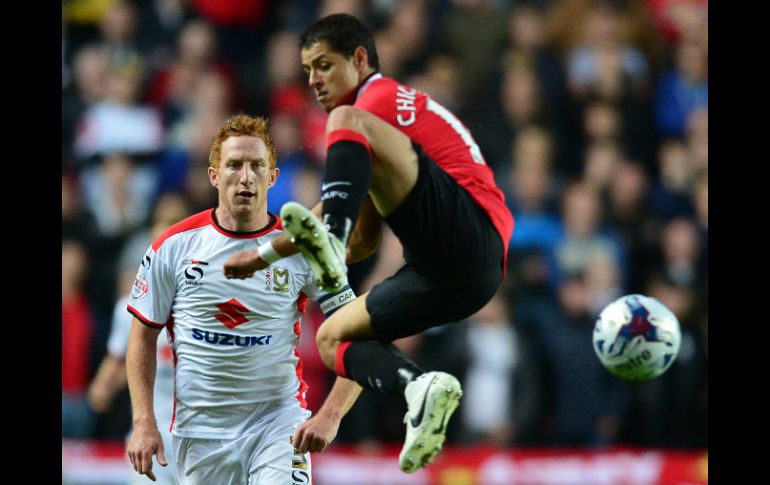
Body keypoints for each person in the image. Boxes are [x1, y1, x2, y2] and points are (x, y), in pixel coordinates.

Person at [224, 14, 514, 473]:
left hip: (473, 230)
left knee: (343, 122)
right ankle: (418, 387)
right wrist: (331, 413)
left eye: (323, 65)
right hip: (460, 279)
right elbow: (366, 239)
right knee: (331, 336)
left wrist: (264, 253)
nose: (314, 81)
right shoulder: (364, 152)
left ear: (359, 59)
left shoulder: (373, 102)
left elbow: (330, 217)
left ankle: (328, 246)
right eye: (307, 71)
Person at [125, 113, 365, 484]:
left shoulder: (303, 248)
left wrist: (331, 413)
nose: (246, 176)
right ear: (214, 175)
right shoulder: (174, 247)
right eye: (234, 165)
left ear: (273, 177)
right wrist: (143, 421)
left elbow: (360, 332)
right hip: (201, 433)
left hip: (278, 423)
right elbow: (141, 335)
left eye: (257, 166)